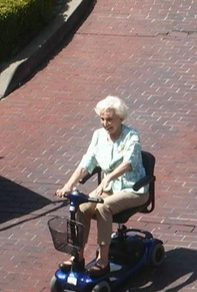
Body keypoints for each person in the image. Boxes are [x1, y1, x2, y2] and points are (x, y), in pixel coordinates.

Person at [56, 96, 148, 276]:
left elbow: (128, 163)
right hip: (109, 189)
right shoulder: (98, 136)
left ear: (120, 118)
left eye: (110, 119)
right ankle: (78, 256)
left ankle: (103, 260)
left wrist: (107, 179)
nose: (105, 123)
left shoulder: (131, 136)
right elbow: (86, 163)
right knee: (82, 207)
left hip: (133, 188)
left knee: (104, 208)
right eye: (102, 119)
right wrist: (68, 185)